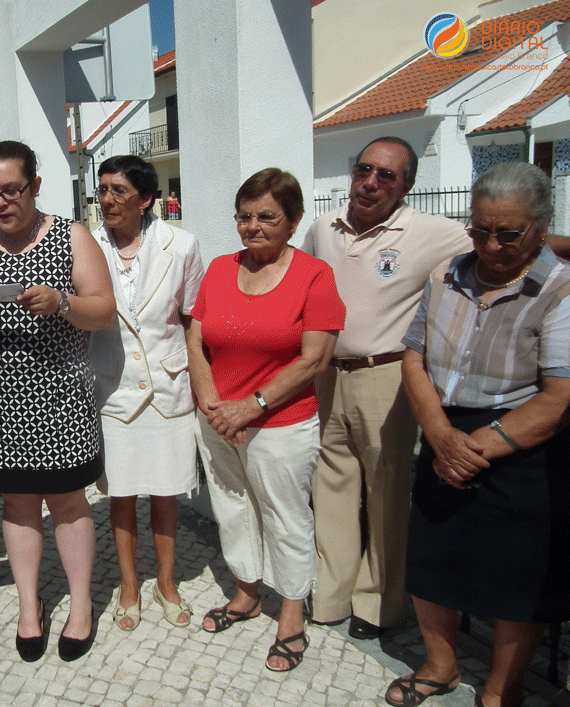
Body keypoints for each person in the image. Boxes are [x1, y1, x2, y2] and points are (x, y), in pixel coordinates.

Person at [384, 161, 570, 707]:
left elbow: (560, 397)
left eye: (508, 233)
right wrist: (441, 438)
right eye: (481, 229)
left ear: (541, 226)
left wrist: (473, 450)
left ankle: (499, 690)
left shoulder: (559, 290)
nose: (492, 245)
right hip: (446, 429)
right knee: (432, 558)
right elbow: (412, 357)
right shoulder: (445, 273)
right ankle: (439, 665)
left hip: (522, 444)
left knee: (518, 578)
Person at [0, 140, 115, 662]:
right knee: (16, 504)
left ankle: (80, 605)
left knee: (67, 501)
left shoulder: (70, 236)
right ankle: (29, 606)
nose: (0, 202)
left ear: (35, 186)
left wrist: (61, 302)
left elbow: (102, 311)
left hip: (59, 394)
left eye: (11, 190)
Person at [302, 137, 470, 639]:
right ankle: (330, 595)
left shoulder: (433, 233)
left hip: (387, 378)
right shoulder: (323, 227)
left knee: (387, 491)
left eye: (386, 176)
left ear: (407, 188)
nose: (371, 182)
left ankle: (379, 605)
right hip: (328, 374)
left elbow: (500, 243)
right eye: (364, 169)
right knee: (330, 486)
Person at [189, 168, 345, 672]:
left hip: (279, 421)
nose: (253, 227)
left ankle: (292, 613)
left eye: (267, 217)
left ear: (294, 220)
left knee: (285, 514)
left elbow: (314, 359)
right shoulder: (217, 269)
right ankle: (247, 590)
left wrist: (250, 406)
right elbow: (196, 340)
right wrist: (213, 402)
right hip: (217, 419)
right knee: (232, 506)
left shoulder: (314, 276)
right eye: (244, 216)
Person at [87, 155, 203, 632]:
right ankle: (130, 583)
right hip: (111, 387)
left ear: (146, 199)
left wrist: (203, 385)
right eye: (102, 189)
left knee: (167, 491)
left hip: (168, 385)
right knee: (121, 492)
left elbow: (193, 318)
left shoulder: (183, 244)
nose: (106, 199)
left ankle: (168, 581)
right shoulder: (86, 247)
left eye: (118, 190)